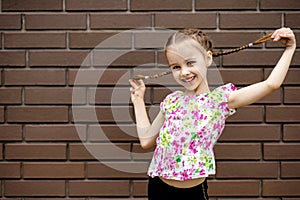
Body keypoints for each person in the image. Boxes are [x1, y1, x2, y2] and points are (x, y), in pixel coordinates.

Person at [129, 27, 296, 199]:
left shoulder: (219, 101)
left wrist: (290, 48)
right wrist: (138, 101)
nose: (184, 72)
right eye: (176, 67)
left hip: (192, 193)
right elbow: (147, 140)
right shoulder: (172, 102)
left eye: (190, 63)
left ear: (208, 58)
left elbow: (271, 84)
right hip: (158, 188)